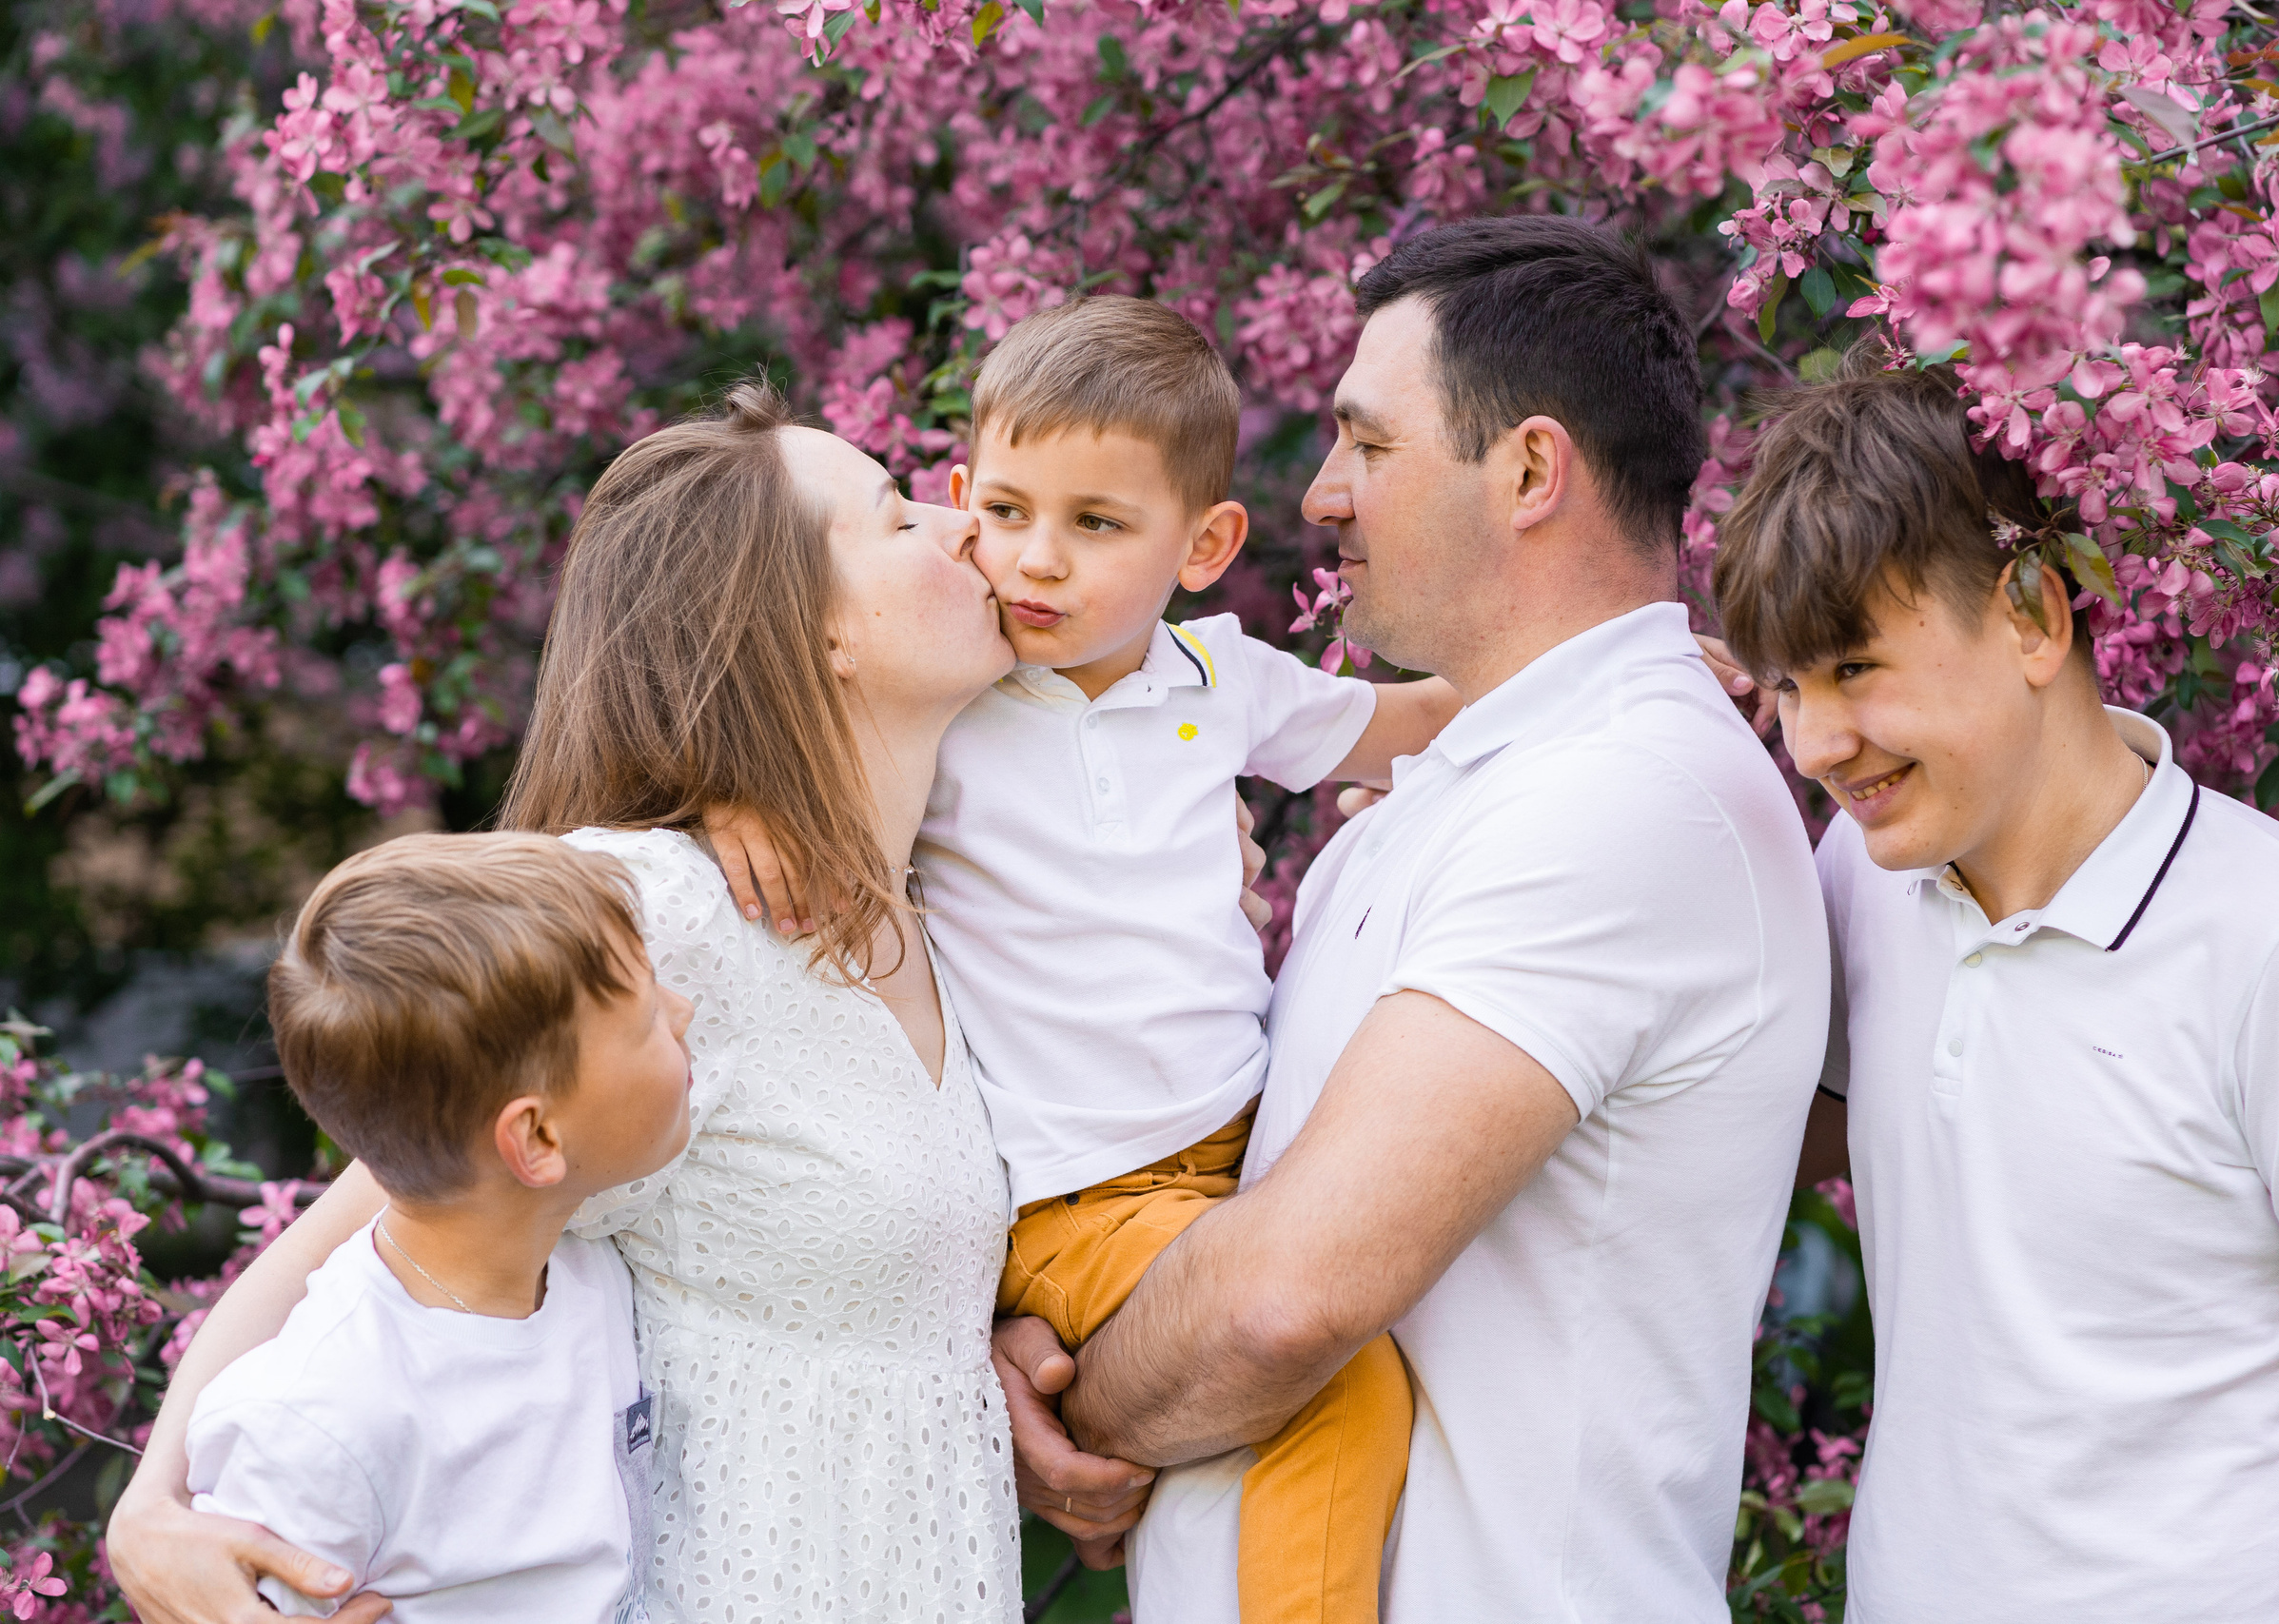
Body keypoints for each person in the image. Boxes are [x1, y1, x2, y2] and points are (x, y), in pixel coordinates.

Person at [997, 218, 1833, 1622]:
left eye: (1368, 445)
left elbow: (1286, 1295)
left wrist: (1077, 1414)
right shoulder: (1472, 780)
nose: (1320, 494)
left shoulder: (1623, 796)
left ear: (1527, 471)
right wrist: (1056, 1318)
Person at [107, 381, 1031, 1623]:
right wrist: (153, 1513)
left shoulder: (953, 894)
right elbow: (370, 1226)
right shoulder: (661, 913)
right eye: (896, 512)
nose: (962, 519)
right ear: (814, 631)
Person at [710, 294, 1467, 1624]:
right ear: (965, 493)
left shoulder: (1221, 680)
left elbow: (1403, 721)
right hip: (1081, 1190)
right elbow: (801, 739)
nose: (1036, 561)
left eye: (1096, 524)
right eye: (1004, 511)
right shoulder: (964, 693)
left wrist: (1593, 677)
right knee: (1340, 1386)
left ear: (1205, 543)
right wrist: (740, 806)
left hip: (1239, 1154)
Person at [1708, 357, 2279, 1622]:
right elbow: (1738, 1126)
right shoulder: (1866, 878)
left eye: (1855, 667)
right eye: (1786, 686)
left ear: (2035, 615)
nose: (1816, 742)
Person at [187, 832, 693, 1621]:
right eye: (647, 1017)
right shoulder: (321, 1417)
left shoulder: (590, 1263)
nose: (686, 1012)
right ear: (538, 1140)